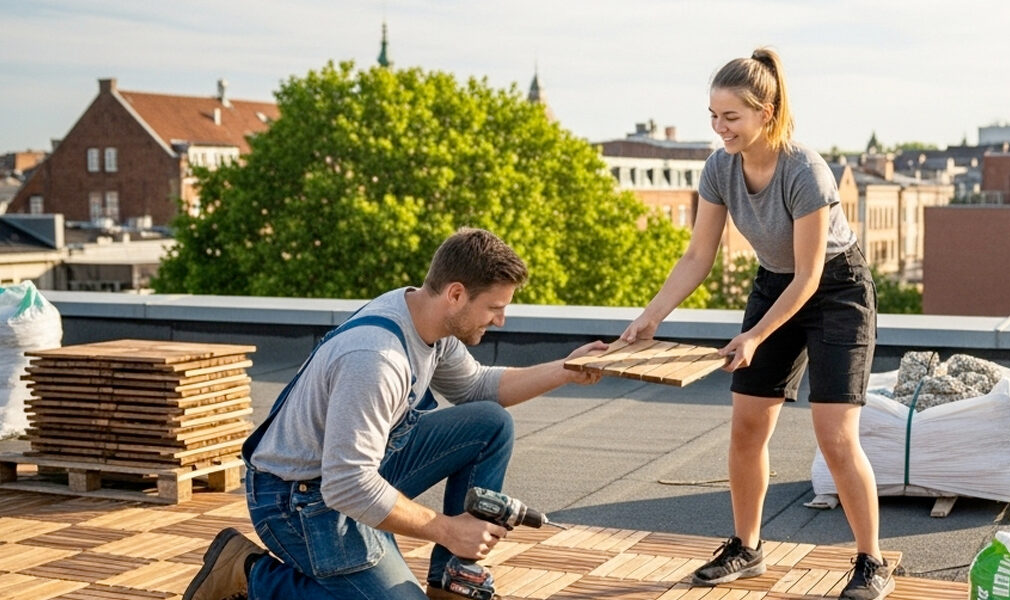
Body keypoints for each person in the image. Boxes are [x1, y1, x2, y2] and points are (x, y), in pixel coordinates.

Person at [184, 228, 606, 600]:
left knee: (488, 423)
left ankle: (452, 579)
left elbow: (478, 388)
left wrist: (567, 370)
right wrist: (449, 529)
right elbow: (347, 487)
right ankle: (248, 574)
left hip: (350, 475)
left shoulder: (425, 317)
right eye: (495, 307)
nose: (501, 319)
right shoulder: (376, 358)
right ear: (456, 293)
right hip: (298, 502)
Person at [620, 48, 891, 600]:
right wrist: (649, 318)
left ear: (766, 112)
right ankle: (746, 547)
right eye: (713, 117)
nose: (720, 129)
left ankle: (872, 562)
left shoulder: (805, 171)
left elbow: (812, 276)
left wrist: (755, 335)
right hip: (775, 282)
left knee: (835, 435)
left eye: (731, 118)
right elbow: (698, 257)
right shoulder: (720, 167)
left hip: (836, 290)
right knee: (747, 425)